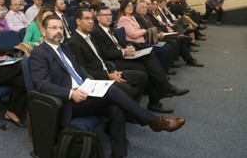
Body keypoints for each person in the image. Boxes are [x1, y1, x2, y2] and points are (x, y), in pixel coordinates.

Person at [30, 15, 185, 158]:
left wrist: (89, 81)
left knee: (116, 109)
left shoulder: (64, 47)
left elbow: (79, 68)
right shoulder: (39, 53)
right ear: (43, 30)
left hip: (85, 90)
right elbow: (42, 85)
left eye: (60, 28)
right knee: (112, 89)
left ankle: (118, 154)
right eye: (53, 28)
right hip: (68, 102)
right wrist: (71, 93)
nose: (58, 31)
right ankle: (154, 121)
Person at [91, 6, 190, 113]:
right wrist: (124, 52)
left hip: (123, 55)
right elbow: (104, 54)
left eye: (110, 15)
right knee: (148, 68)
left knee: (149, 55)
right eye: (105, 15)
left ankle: (163, 90)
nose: (108, 17)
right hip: (115, 62)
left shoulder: (109, 29)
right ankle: (161, 94)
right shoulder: (97, 32)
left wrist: (129, 48)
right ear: (98, 18)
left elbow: (119, 44)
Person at [68, 8, 148, 103]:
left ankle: (131, 108)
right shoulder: (74, 42)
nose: (90, 22)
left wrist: (112, 70)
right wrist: (108, 75)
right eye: (86, 18)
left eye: (91, 18)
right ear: (78, 21)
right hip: (98, 78)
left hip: (108, 70)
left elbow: (101, 58)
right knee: (128, 89)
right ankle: (131, 109)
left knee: (142, 76)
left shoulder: (90, 37)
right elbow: (83, 70)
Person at [117, 1, 175, 75]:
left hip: (144, 41)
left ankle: (162, 71)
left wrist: (144, 32)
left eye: (131, 5)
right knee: (164, 50)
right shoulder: (123, 19)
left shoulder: (132, 17)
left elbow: (138, 31)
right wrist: (144, 30)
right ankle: (160, 73)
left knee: (167, 46)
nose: (130, 7)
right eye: (128, 6)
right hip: (137, 45)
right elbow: (133, 35)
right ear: (123, 8)